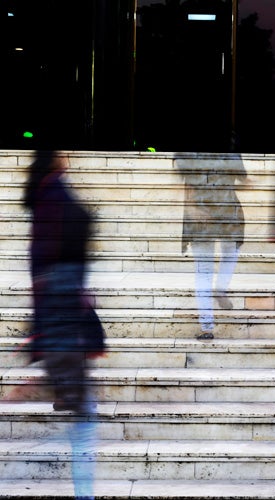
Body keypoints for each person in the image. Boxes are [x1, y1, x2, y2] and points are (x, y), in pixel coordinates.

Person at [24, 150, 105, 499]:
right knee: (85, 422)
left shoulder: (46, 200)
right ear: (55, 161)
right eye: (62, 154)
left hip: (59, 325)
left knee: (83, 420)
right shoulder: (56, 199)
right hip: (64, 329)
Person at [177, 153, 248, 340]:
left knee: (204, 270)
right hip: (224, 211)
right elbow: (243, 177)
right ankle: (221, 288)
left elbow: (186, 182)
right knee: (228, 253)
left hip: (202, 213)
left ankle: (207, 326)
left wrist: (191, 208)